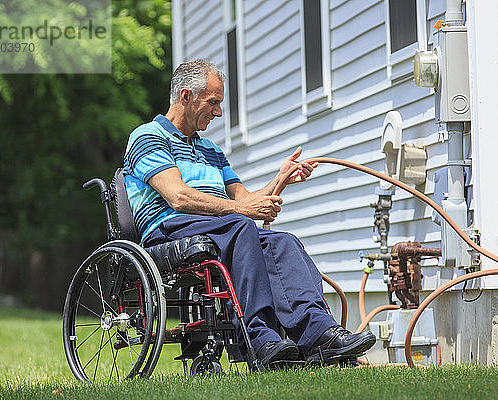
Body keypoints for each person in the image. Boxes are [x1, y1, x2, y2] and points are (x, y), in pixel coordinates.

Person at [123, 59, 375, 367]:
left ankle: (318, 332)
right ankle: (259, 336)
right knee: (241, 227)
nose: (217, 112)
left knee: (283, 242)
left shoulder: (211, 150)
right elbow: (178, 197)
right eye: (213, 103)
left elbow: (244, 199)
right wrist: (240, 210)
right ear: (186, 96)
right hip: (170, 228)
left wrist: (281, 178)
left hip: (223, 226)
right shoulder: (147, 136)